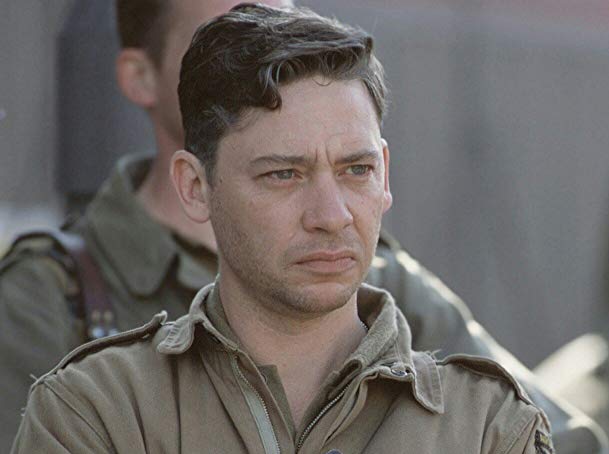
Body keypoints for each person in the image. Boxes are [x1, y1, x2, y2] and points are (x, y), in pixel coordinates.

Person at [0, 0, 605, 452]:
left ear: (385, 172)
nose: (331, 216)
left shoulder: (485, 422)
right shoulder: (93, 402)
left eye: (356, 169)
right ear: (196, 186)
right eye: (283, 174)